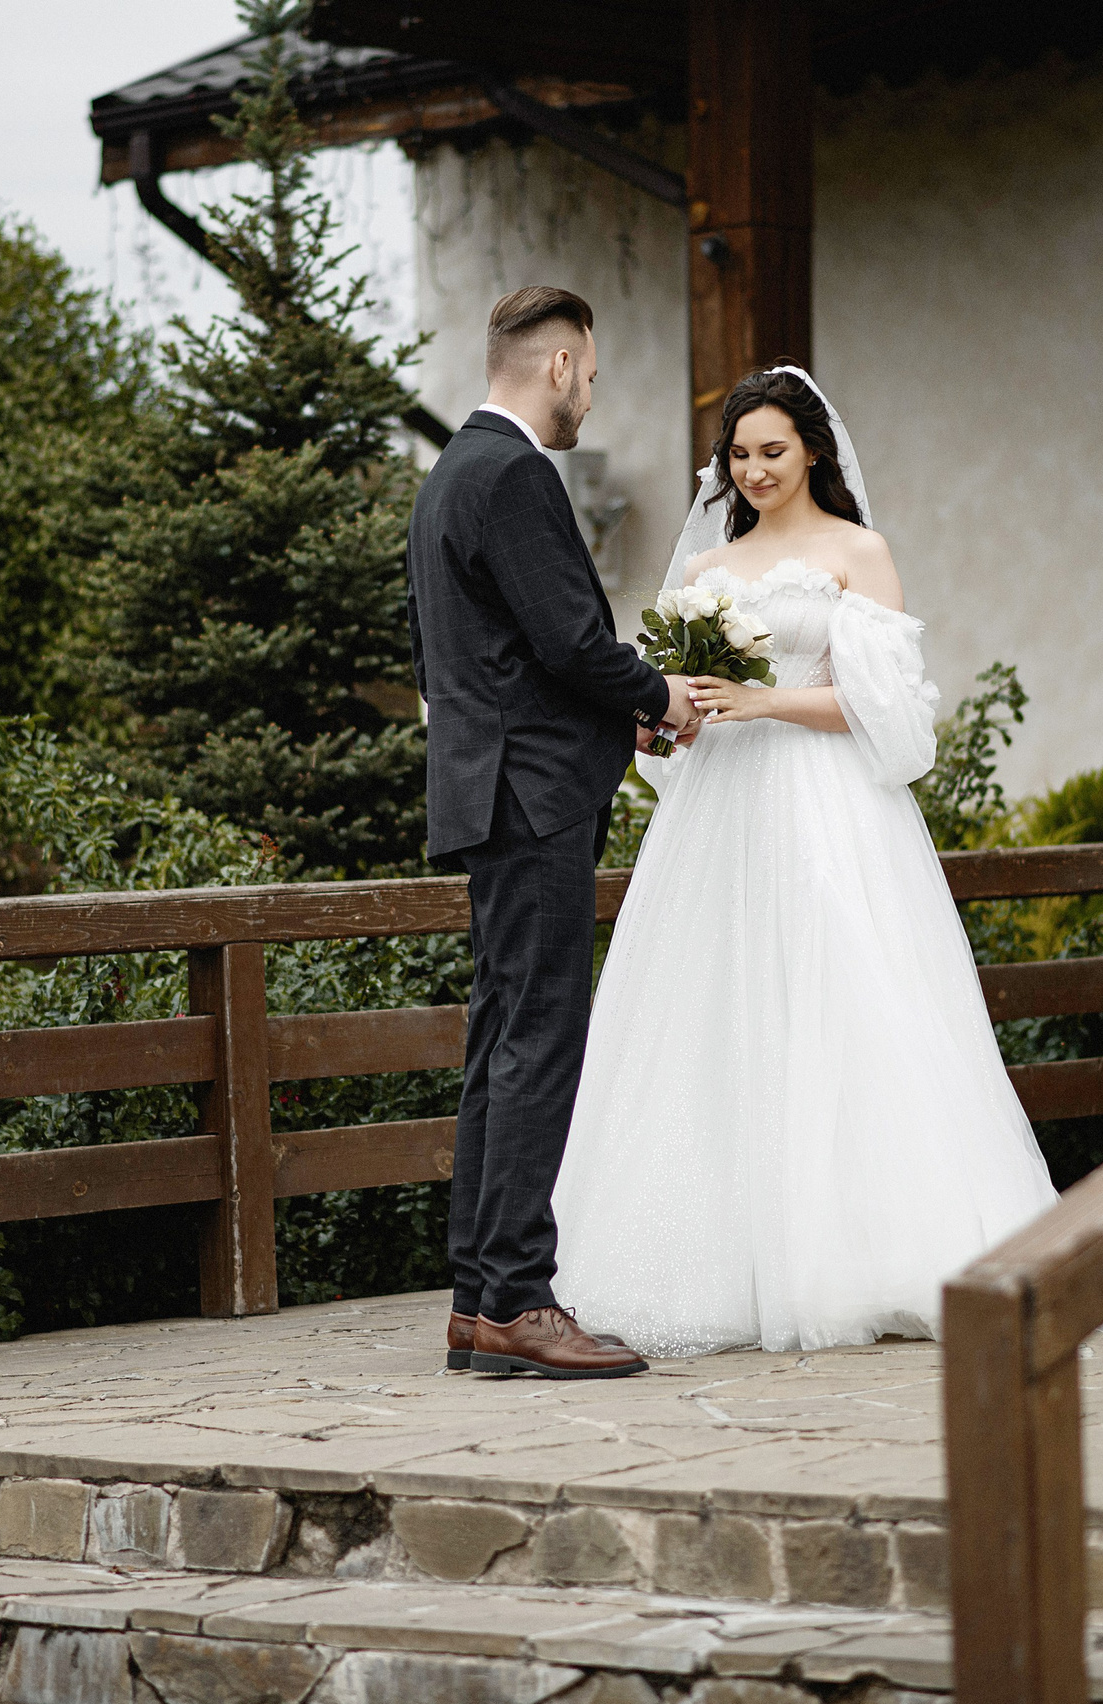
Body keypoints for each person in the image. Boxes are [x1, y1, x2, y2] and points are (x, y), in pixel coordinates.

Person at [551, 365, 1103, 1355]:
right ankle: (715, 1266)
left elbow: (889, 712)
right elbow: (687, 706)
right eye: (739, 456)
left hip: (825, 807)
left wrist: (766, 700)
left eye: (772, 452)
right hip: (720, 814)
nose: (753, 472)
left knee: (847, 999)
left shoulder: (856, 553)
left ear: (815, 451)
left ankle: (871, 1254)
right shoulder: (705, 572)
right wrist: (684, 715)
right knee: (712, 1011)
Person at [405, 286, 702, 1380]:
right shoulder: (517, 473)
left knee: (499, 1041)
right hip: (533, 801)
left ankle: (479, 1299)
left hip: (490, 791)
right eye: (590, 374)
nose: (590, 395)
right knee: (538, 1042)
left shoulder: (447, 476)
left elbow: (476, 657)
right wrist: (657, 695)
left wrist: (606, 710)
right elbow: (571, 639)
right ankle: (521, 1300)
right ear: (562, 366)